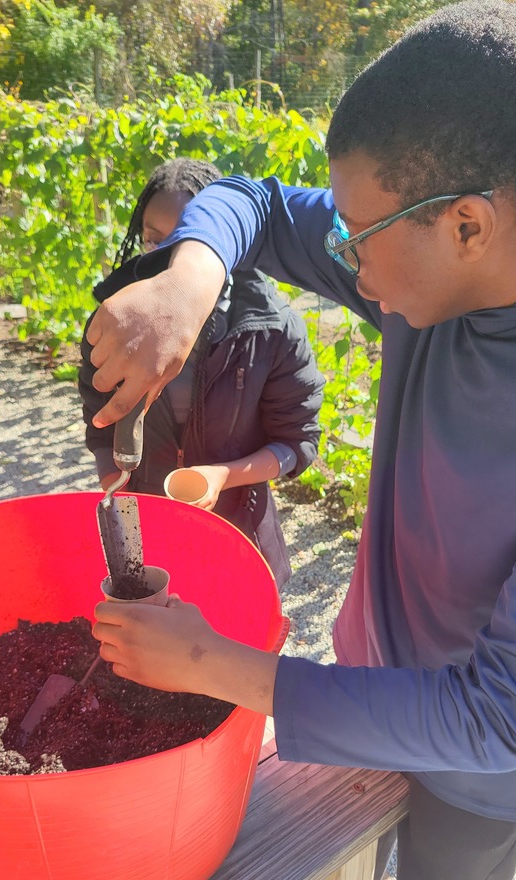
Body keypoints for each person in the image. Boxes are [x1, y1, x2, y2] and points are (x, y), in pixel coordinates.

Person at [85, 2, 516, 880]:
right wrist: (190, 280)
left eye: (361, 236)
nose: (348, 270)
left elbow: (499, 714)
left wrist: (211, 664)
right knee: (338, 863)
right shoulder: (445, 276)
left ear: (468, 222)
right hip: (362, 680)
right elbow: (255, 204)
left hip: (478, 766)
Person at [78, 157, 324, 589]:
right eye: (154, 240)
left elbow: (297, 443)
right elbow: (100, 429)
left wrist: (223, 476)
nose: (168, 259)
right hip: (149, 532)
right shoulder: (117, 323)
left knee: (233, 637)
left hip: (239, 531)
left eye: (185, 239)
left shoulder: (271, 328)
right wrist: (119, 493)